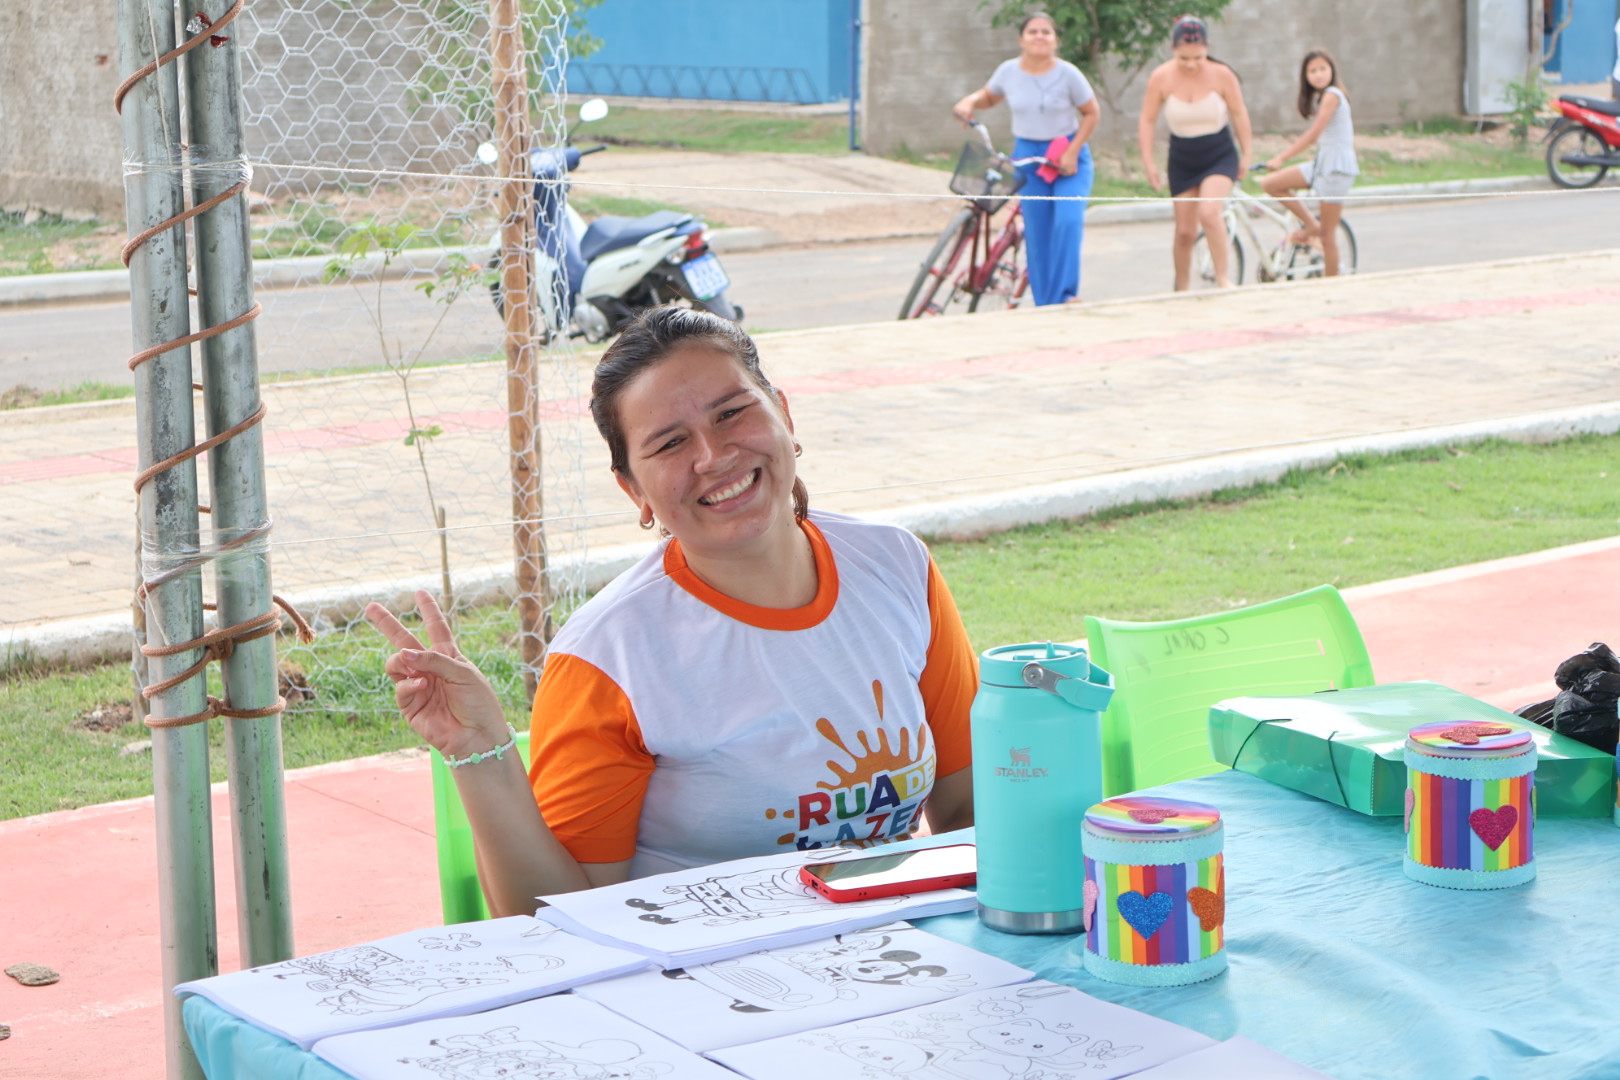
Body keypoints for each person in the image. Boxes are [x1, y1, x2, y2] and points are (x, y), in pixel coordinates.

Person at [365, 307, 978, 916]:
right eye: (670, 442)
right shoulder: (610, 654)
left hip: (902, 955)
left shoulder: (897, 566)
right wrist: (483, 752)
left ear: (784, 414)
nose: (714, 455)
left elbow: (970, 811)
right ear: (634, 489)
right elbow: (549, 918)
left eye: (732, 412)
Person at [952, 12, 1100, 306]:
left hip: (1067, 155)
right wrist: (970, 101)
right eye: (1033, 31)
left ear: (1056, 40)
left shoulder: (1068, 74)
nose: (1039, 37)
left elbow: (1092, 113)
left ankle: (1066, 294)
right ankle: (1045, 302)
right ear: (1021, 39)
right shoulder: (1009, 71)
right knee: (1038, 230)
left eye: (1046, 32)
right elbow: (989, 97)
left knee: (1068, 222)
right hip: (1028, 157)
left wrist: (1072, 151)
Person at [1137, 15, 1253, 290]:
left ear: (1207, 49)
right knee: (1185, 233)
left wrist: (1247, 152)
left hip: (1219, 153)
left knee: (1210, 213)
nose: (1191, 65)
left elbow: (1239, 113)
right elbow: (1148, 120)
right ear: (1174, 50)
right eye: (1184, 59)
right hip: (1182, 156)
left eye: (1198, 58)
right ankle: (1181, 286)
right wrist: (1148, 162)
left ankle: (1223, 278)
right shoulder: (1161, 77)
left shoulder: (1222, 74)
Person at [1259, 50, 1358, 277]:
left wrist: (1281, 158)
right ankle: (1310, 224)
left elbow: (1314, 134)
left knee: (1327, 236)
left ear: (1332, 70)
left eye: (1323, 69)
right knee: (1271, 184)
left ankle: (1330, 285)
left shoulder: (1333, 95)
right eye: (1313, 71)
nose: (1319, 75)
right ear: (1305, 76)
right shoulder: (1322, 97)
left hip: (1337, 169)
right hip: (1321, 166)